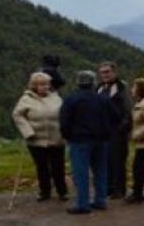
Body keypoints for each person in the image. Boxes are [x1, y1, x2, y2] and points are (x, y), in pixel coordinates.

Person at [60, 70, 115, 214]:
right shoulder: (103, 99)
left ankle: (82, 203)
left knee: (81, 172)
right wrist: (107, 134)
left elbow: (64, 122)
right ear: (93, 83)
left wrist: (68, 136)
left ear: (78, 83)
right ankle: (100, 200)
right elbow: (114, 117)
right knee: (101, 171)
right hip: (101, 140)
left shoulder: (71, 100)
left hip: (79, 140)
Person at [12, 72, 67, 202]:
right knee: (42, 167)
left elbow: (64, 114)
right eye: (40, 84)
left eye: (46, 84)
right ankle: (44, 191)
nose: (44, 87)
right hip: (35, 139)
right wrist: (27, 131)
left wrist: (65, 130)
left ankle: (62, 191)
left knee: (58, 167)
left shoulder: (56, 98)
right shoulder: (26, 99)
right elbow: (17, 115)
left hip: (56, 138)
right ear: (34, 85)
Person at [97, 61, 131, 200]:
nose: (105, 75)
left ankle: (119, 189)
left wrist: (122, 128)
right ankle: (108, 188)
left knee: (118, 161)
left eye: (107, 72)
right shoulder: (99, 88)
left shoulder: (122, 88)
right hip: (102, 131)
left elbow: (128, 109)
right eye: (102, 72)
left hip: (117, 131)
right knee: (105, 160)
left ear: (114, 72)